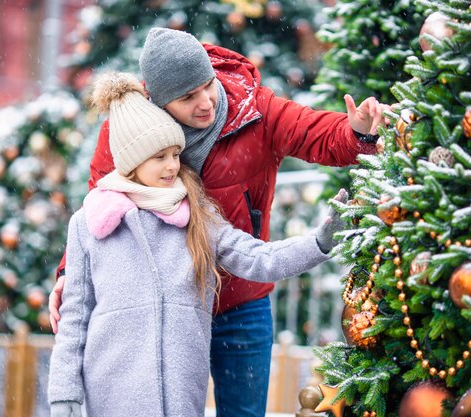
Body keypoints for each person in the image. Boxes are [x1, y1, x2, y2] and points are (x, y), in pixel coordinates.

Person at [50, 28, 389, 417]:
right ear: (160, 104)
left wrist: (356, 132)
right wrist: (69, 274)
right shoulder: (132, 129)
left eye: (207, 85)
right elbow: (99, 210)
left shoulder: (254, 110)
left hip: (239, 299)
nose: (206, 102)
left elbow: (315, 133)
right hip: (164, 307)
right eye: (187, 97)